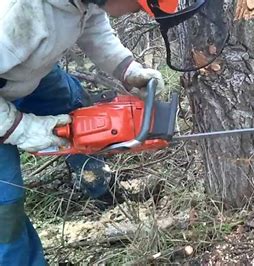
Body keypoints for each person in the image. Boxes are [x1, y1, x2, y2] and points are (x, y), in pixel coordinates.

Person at [0, 0, 177, 264]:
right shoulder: (18, 14)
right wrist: (22, 128)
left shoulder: (85, 2)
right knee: (6, 209)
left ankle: (100, 185)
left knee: (73, 103)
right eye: (139, 4)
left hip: (22, 76)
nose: (138, 10)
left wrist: (128, 69)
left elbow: (92, 25)